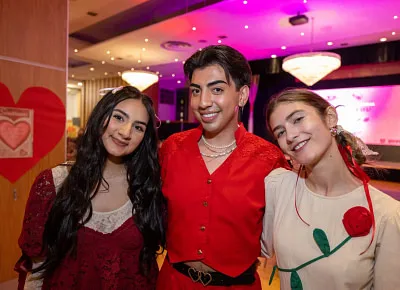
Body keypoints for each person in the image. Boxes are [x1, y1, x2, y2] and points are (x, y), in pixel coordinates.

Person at [157, 45, 288, 289]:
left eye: (216, 89)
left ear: (242, 95)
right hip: (173, 282)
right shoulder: (172, 148)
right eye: (196, 91)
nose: (203, 102)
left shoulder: (268, 158)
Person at [15, 86, 165, 289]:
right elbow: (37, 266)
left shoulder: (147, 187)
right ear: (101, 116)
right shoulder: (55, 182)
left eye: (138, 127)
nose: (125, 132)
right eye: (119, 117)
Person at [262, 88, 400, 289]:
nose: (290, 135)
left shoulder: (387, 215)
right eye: (280, 132)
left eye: (298, 119)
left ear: (329, 118)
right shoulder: (278, 186)